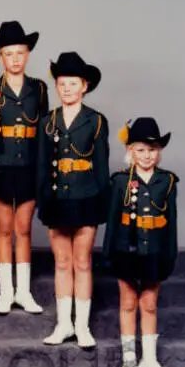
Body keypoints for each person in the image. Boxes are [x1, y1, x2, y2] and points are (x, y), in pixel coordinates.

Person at [37, 52, 110, 348]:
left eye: (73, 83)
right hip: (56, 198)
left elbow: (102, 166)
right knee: (62, 262)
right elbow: (42, 166)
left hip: (86, 198)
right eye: (62, 84)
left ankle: (82, 327)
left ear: (84, 86)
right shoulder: (47, 121)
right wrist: (43, 199)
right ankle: (63, 325)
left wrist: (102, 202)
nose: (67, 89)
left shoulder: (96, 121)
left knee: (82, 261)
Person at [0, 21, 48, 313]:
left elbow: (45, 134)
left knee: (24, 229)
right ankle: (6, 293)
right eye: (9, 54)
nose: (15, 59)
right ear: (0, 57)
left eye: (20, 53)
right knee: (5, 229)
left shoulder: (39, 89)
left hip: (30, 167)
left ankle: (24, 291)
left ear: (28, 55)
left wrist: (44, 175)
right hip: (1, 166)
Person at [104, 117, 177, 367]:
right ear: (130, 151)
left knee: (148, 305)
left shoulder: (167, 182)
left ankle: (149, 361)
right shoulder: (120, 182)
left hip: (155, 251)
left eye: (152, 149)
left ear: (160, 151)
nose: (147, 155)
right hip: (126, 250)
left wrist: (169, 257)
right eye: (141, 150)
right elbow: (112, 221)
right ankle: (129, 362)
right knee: (127, 303)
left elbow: (172, 225)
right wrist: (109, 254)